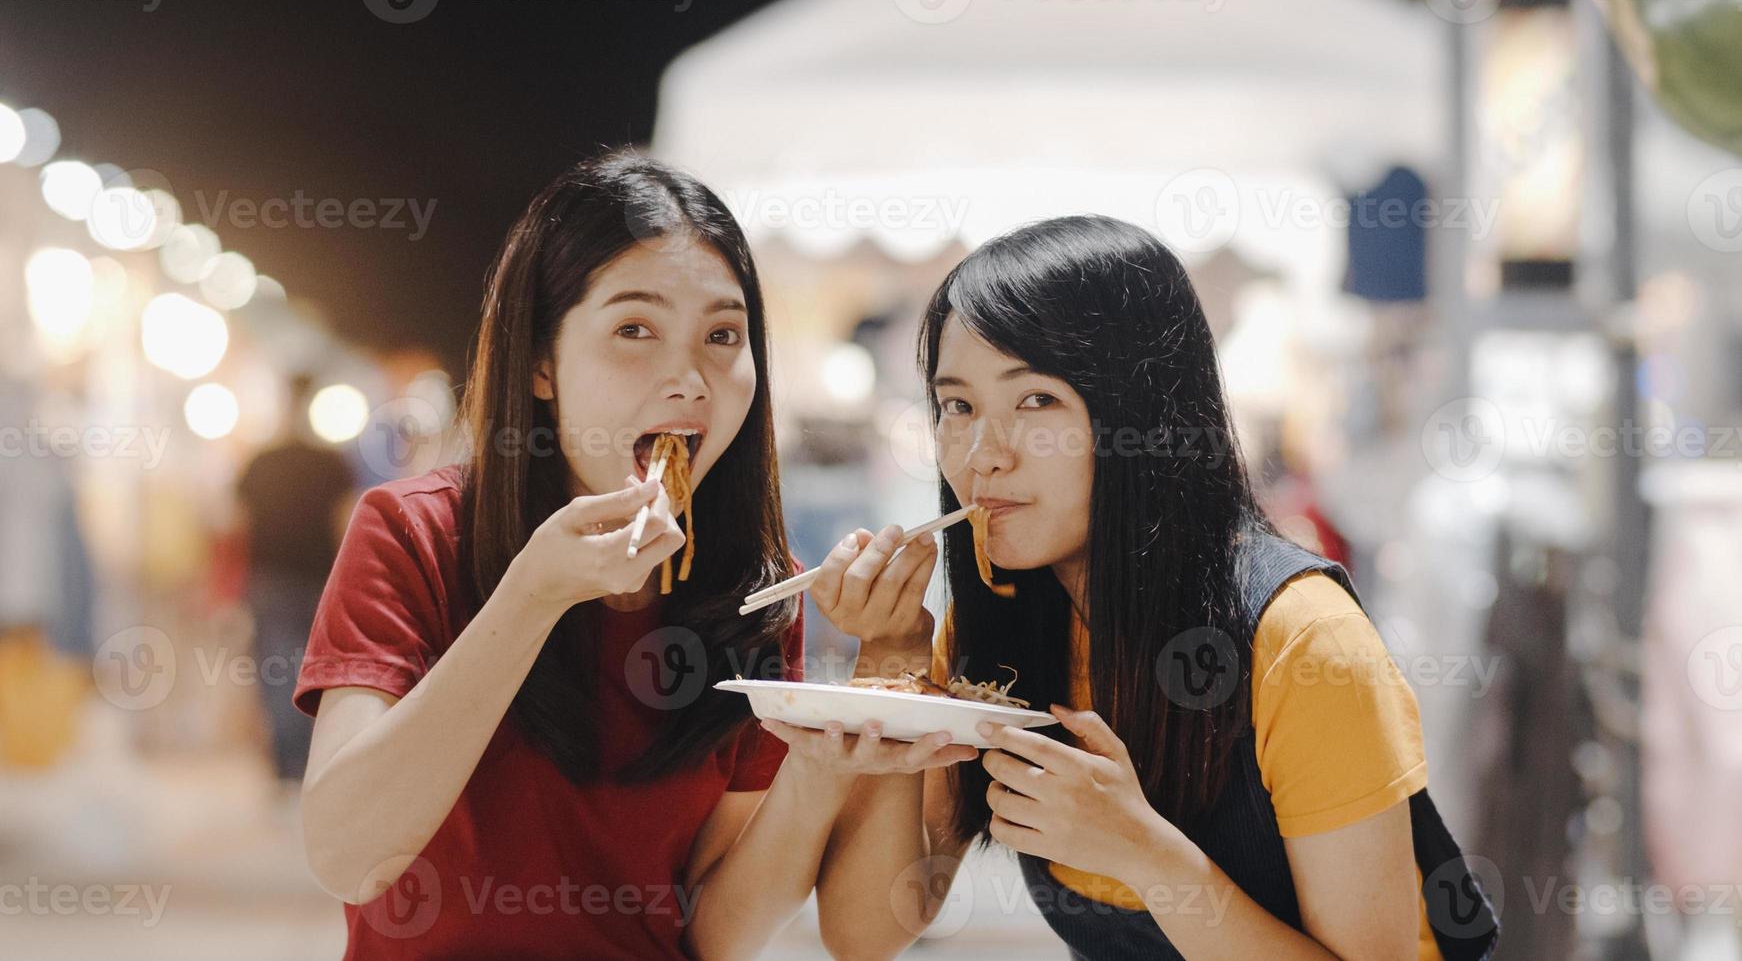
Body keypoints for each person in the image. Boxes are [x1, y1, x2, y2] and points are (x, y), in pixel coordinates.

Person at [292, 151, 975, 959]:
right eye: (633, 330)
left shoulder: (754, 590)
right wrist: (531, 597)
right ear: (541, 362)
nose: (688, 379)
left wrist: (820, 766)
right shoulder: (416, 533)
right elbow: (349, 858)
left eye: (723, 334)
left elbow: (716, 933)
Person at [769, 216, 1499, 959]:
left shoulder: (1302, 639)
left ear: (1142, 414)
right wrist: (893, 657)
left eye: (1036, 402)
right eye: (958, 406)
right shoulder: (996, 625)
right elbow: (865, 933)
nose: (982, 455)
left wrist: (1145, 854)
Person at [237, 374, 355, 784]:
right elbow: (346, 524)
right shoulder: (330, 462)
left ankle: (288, 767)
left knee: (276, 671)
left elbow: (237, 523)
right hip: (320, 580)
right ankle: (310, 763)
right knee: (319, 673)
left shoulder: (260, 461)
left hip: (269, 579)